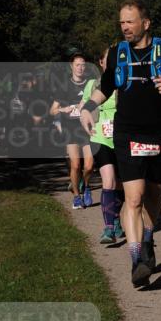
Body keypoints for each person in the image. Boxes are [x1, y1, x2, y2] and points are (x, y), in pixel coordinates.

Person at [80, 0, 161, 287]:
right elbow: (106, 86)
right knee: (133, 198)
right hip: (127, 132)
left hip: (159, 133)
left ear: (146, 22)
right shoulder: (118, 52)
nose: (125, 27)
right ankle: (136, 261)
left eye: (130, 22)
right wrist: (87, 108)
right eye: (121, 22)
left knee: (154, 195)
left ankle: (147, 239)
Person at [83, 47, 125, 246]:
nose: (111, 62)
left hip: (122, 138)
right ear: (101, 63)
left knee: (122, 184)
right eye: (108, 59)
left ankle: (116, 217)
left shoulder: (124, 81)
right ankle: (108, 228)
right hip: (100, 137)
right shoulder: (92, 84)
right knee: (108, 180)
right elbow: (86, 107)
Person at [50, 53, 95, 209]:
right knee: (75, 165)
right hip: (71, 129)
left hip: (87, 128)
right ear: (71, 67)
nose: (81, 67)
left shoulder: (90, 84)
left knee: (89, 166)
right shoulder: (64, 86)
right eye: (77, 65)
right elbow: (52, 111)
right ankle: (77, 196)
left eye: (83, 65)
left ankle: (86, 186)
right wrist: (64, 109)